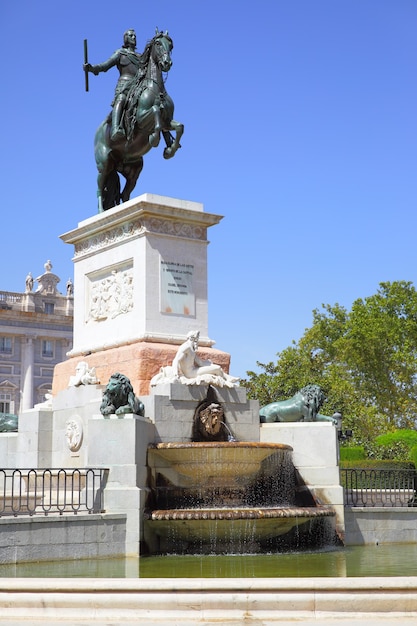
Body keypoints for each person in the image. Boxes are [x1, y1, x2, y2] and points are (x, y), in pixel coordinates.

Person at [84, 29, 143, 141]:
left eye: (135, 36)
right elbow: (105, 66)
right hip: (125, 85)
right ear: (126, 38)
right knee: (121, 99)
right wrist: (91, 68)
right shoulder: (120, 53)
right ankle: (116, 128)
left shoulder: (140, 57)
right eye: (131, 35)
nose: (134, 37)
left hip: (138, 86)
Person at [172, 331, 239, 383]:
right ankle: (226, 381)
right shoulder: (186, 347)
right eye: (196, 340)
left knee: (214, 366)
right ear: (192, 338)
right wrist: (175, 374)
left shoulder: (192, 349)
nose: (197, 342)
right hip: (190, 374)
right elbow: (176, 360)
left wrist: (209, 363)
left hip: (193, 371)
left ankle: (227, 378)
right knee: (217, 368)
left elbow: (200, 363)